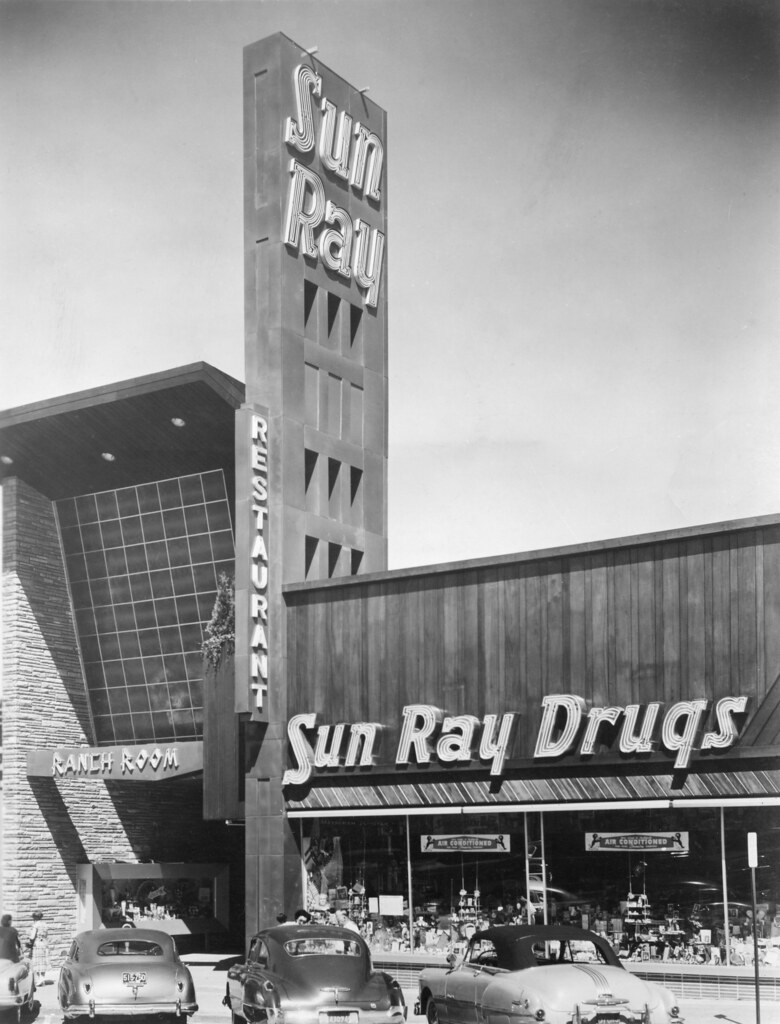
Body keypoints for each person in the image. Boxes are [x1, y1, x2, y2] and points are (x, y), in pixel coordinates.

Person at [26, 911, 50, 984]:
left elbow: (32, 937)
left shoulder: (36, 925)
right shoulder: (45, 924)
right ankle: (42, 977)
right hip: (44, 943)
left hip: (37, 944)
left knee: (37, 961)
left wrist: (29, 936)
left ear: (35, 917)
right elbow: (46, 935)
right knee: (43, 961)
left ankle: (39, 979)